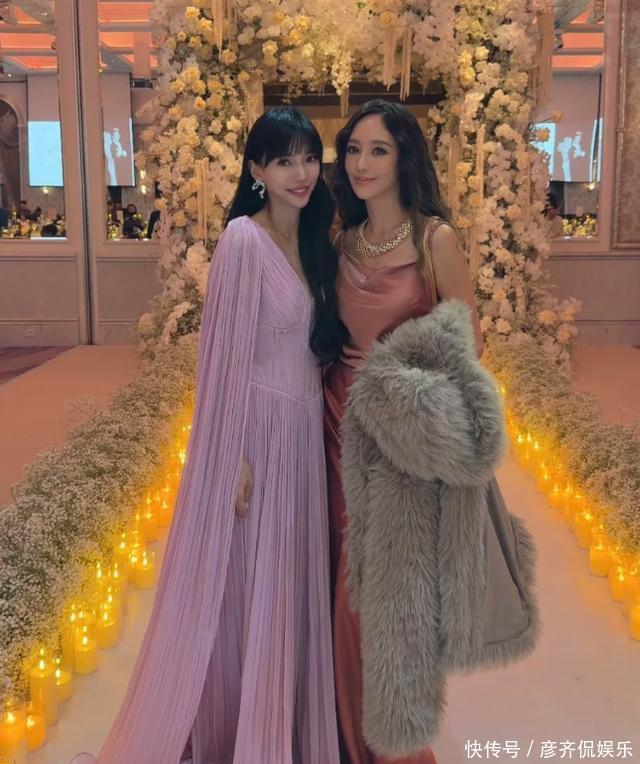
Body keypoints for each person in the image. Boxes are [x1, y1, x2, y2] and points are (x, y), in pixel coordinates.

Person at [73, 106, 342, 764]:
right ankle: (244, 731)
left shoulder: (316, 239)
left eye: (309, 157)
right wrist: (233, 454)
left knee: (291, 583)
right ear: (256, 171)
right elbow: (220, 362)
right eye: (284, 160)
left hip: (304, 435)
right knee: (251, 586)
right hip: (258, 436)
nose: (301, 172)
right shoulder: (242, 242)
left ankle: (287, 727)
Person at [324, 99, 483, 764]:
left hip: (397, 439)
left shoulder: (433, 240)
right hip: (333, 423)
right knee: (339, 584)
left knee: (377, 596)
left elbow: (469, 348)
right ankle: (342, 738)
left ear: (404, 158)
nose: (361, 163)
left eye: (378, 150)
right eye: (353, 149)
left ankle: (390, 748)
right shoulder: (342, 242)